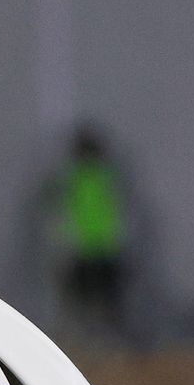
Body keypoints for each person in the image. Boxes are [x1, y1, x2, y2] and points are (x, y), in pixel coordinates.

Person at [49, 124, 129, 340]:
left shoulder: (90, 177)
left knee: (102, 297)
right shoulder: (87, 177)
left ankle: (105, 335)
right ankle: (90, 335)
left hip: (96, 247)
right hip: (89, 248)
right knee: (88, 297)